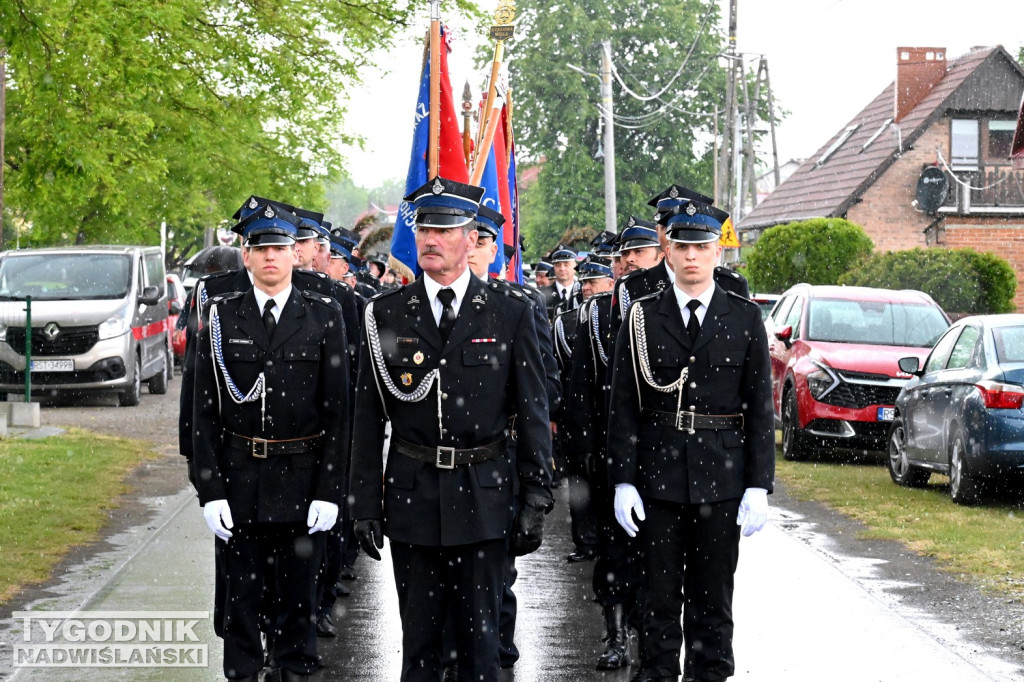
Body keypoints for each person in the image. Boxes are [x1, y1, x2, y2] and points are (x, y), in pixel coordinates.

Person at [349, 176, 553, 682]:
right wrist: (362, 503)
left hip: (484, 497)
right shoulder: (387, 314)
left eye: (443, 229)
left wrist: (535, 496)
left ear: (471, 237)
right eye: (422, 228)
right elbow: (367, 417)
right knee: (418, 647)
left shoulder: (510, 313)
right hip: (413, 496)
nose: (429, 239)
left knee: (480, 647)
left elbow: (531, 412)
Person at [607, 190, 774, 682]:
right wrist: (622, 480)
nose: (692, 256)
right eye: (682, 246)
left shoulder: (744, 318)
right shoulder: (641, 317)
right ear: (668, 252)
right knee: (657, 604)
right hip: (657, 481)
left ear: (717, 251)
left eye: (702, 246)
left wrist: (759, 484)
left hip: (721, 482)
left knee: (713, 605)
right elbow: (624, 407)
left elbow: (760, 409)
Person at [192, 202, 349, 682]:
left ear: (293, 255)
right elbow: (203, 413)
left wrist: (330, 490)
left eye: (280, 248)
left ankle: (293, 672)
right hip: (241, 480)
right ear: (246, 256)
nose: (271, 258)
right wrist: (210, 490)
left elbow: (339, 415)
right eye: (260, 249)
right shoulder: (220, 318)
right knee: (240, 603)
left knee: (297, 605)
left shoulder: (324, 315)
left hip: (302, 481)